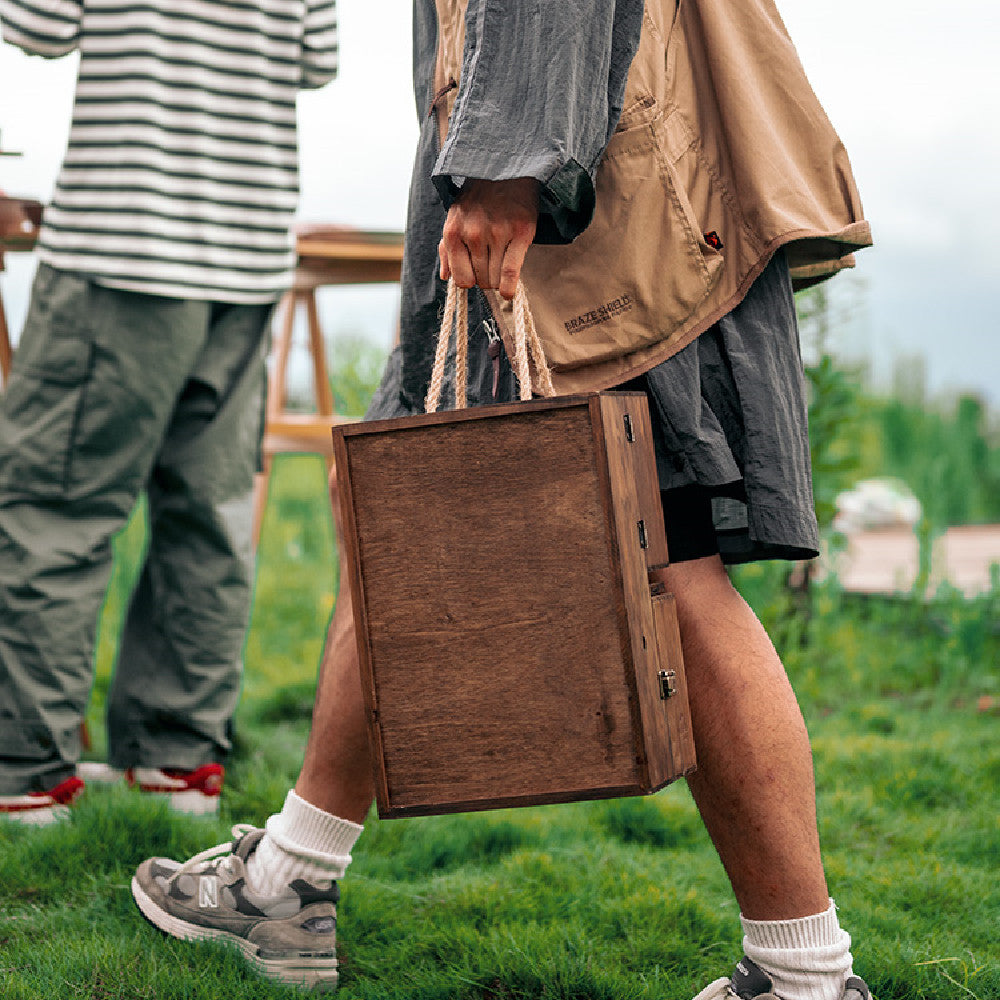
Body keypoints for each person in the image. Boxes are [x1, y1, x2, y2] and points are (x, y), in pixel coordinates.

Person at [130, 3, 874, 998]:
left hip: (595, 219)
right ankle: (289, 876)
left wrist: (507, 167)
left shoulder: (522, 178)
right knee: (406, 526)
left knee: (666, 559)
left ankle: (806, 974)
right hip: (591, 181)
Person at [0, 0, 339, 822]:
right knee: (208, 517)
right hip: (246, 258)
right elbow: (315, 59)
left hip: (121, 249)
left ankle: (26, 776)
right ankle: (176, 763)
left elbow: (35, 24)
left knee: (56, 509)